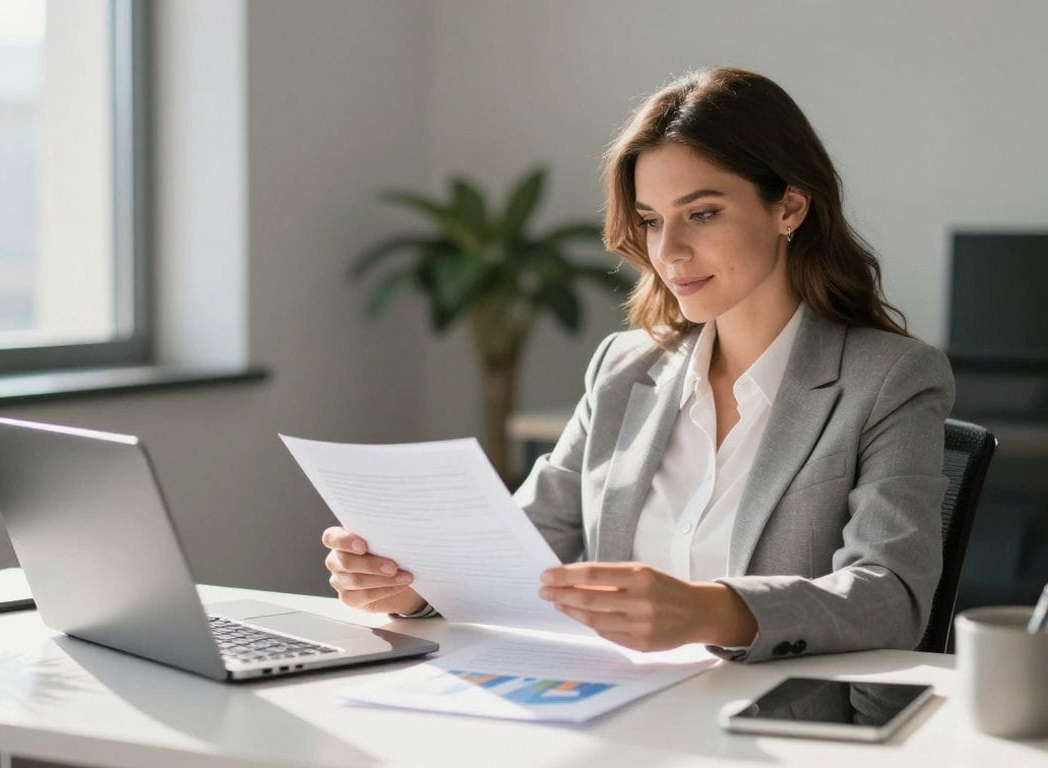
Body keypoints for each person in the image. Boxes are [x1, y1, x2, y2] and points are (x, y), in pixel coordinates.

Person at [320, 67, 953, 663]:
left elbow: (891, 596)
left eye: (702, 213)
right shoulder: (624, 369)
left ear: (789, 207)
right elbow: (520, 547)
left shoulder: (889, 380)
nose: (669, 251)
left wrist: (711, 612)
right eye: (651, 221)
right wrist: (412, 586)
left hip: (773, 729)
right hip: (611, 711)